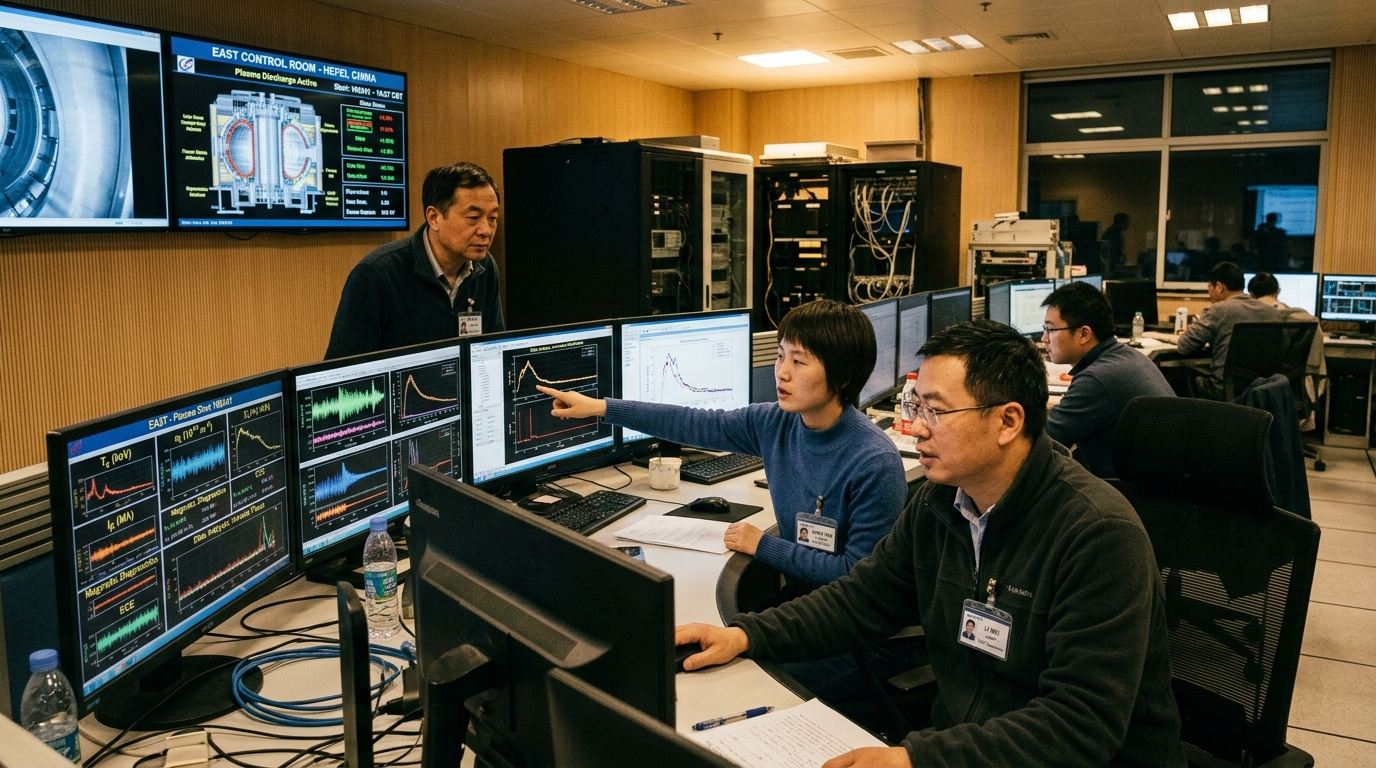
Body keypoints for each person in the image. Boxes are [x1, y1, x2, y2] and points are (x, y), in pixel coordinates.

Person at [677, 320, 1183, 767]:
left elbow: (1079, 726)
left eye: (935, 412)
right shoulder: (942, 503)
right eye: (915, 406)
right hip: (963, 743)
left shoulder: (1096, 535)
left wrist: (918, 759)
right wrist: (746, 635)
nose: (915, 427)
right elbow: (861, 600)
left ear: (1008, 421)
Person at [538, 299, 908, 702]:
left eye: (799, 362)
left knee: (726, 689)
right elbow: (693, 422)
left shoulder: (873, 462)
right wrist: (603, 408)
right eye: (781, 355)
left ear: (840, 374)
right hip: (800, 609)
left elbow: (857, 582)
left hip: (856, 638)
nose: (781, 372)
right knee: (682, 656)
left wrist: (764, 545)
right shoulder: (777, 423)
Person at [325, 162, 505, 359]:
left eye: (492, 218)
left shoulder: (484, 267)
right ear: (434, 217)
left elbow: (492, 352)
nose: (486, 230)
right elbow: (341, 375)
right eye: (473, 217)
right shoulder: (377, 274)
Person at [1041, 282, 1174, 478]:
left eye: (1050, 330)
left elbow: (1043, 440)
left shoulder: (1096, 380)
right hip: (1159, 481)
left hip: (1130, 491)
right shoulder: (1126, 355)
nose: (1044, 338)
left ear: (1084, 334)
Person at [1176, 261, 1283, 399]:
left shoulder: (1218, 310)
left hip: (1225, 391)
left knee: (1175, 378)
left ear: (1219, 287)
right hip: (1264, 391)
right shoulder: (1272, 313)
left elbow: (1184, 347)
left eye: (1209, 287)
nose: (1209, 293)